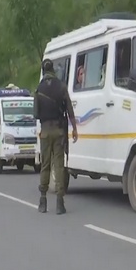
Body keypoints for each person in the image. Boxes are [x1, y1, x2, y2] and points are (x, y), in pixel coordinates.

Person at [34, 59, 78, 214]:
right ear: (53, 69)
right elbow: (70, 110)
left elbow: (36, 114)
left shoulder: (38, 89)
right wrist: (74, 129)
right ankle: (60, 203)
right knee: (58, 165)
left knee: (45, 165)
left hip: (45, 131)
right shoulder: (61, 86)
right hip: (59, 131)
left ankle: (43, 201)